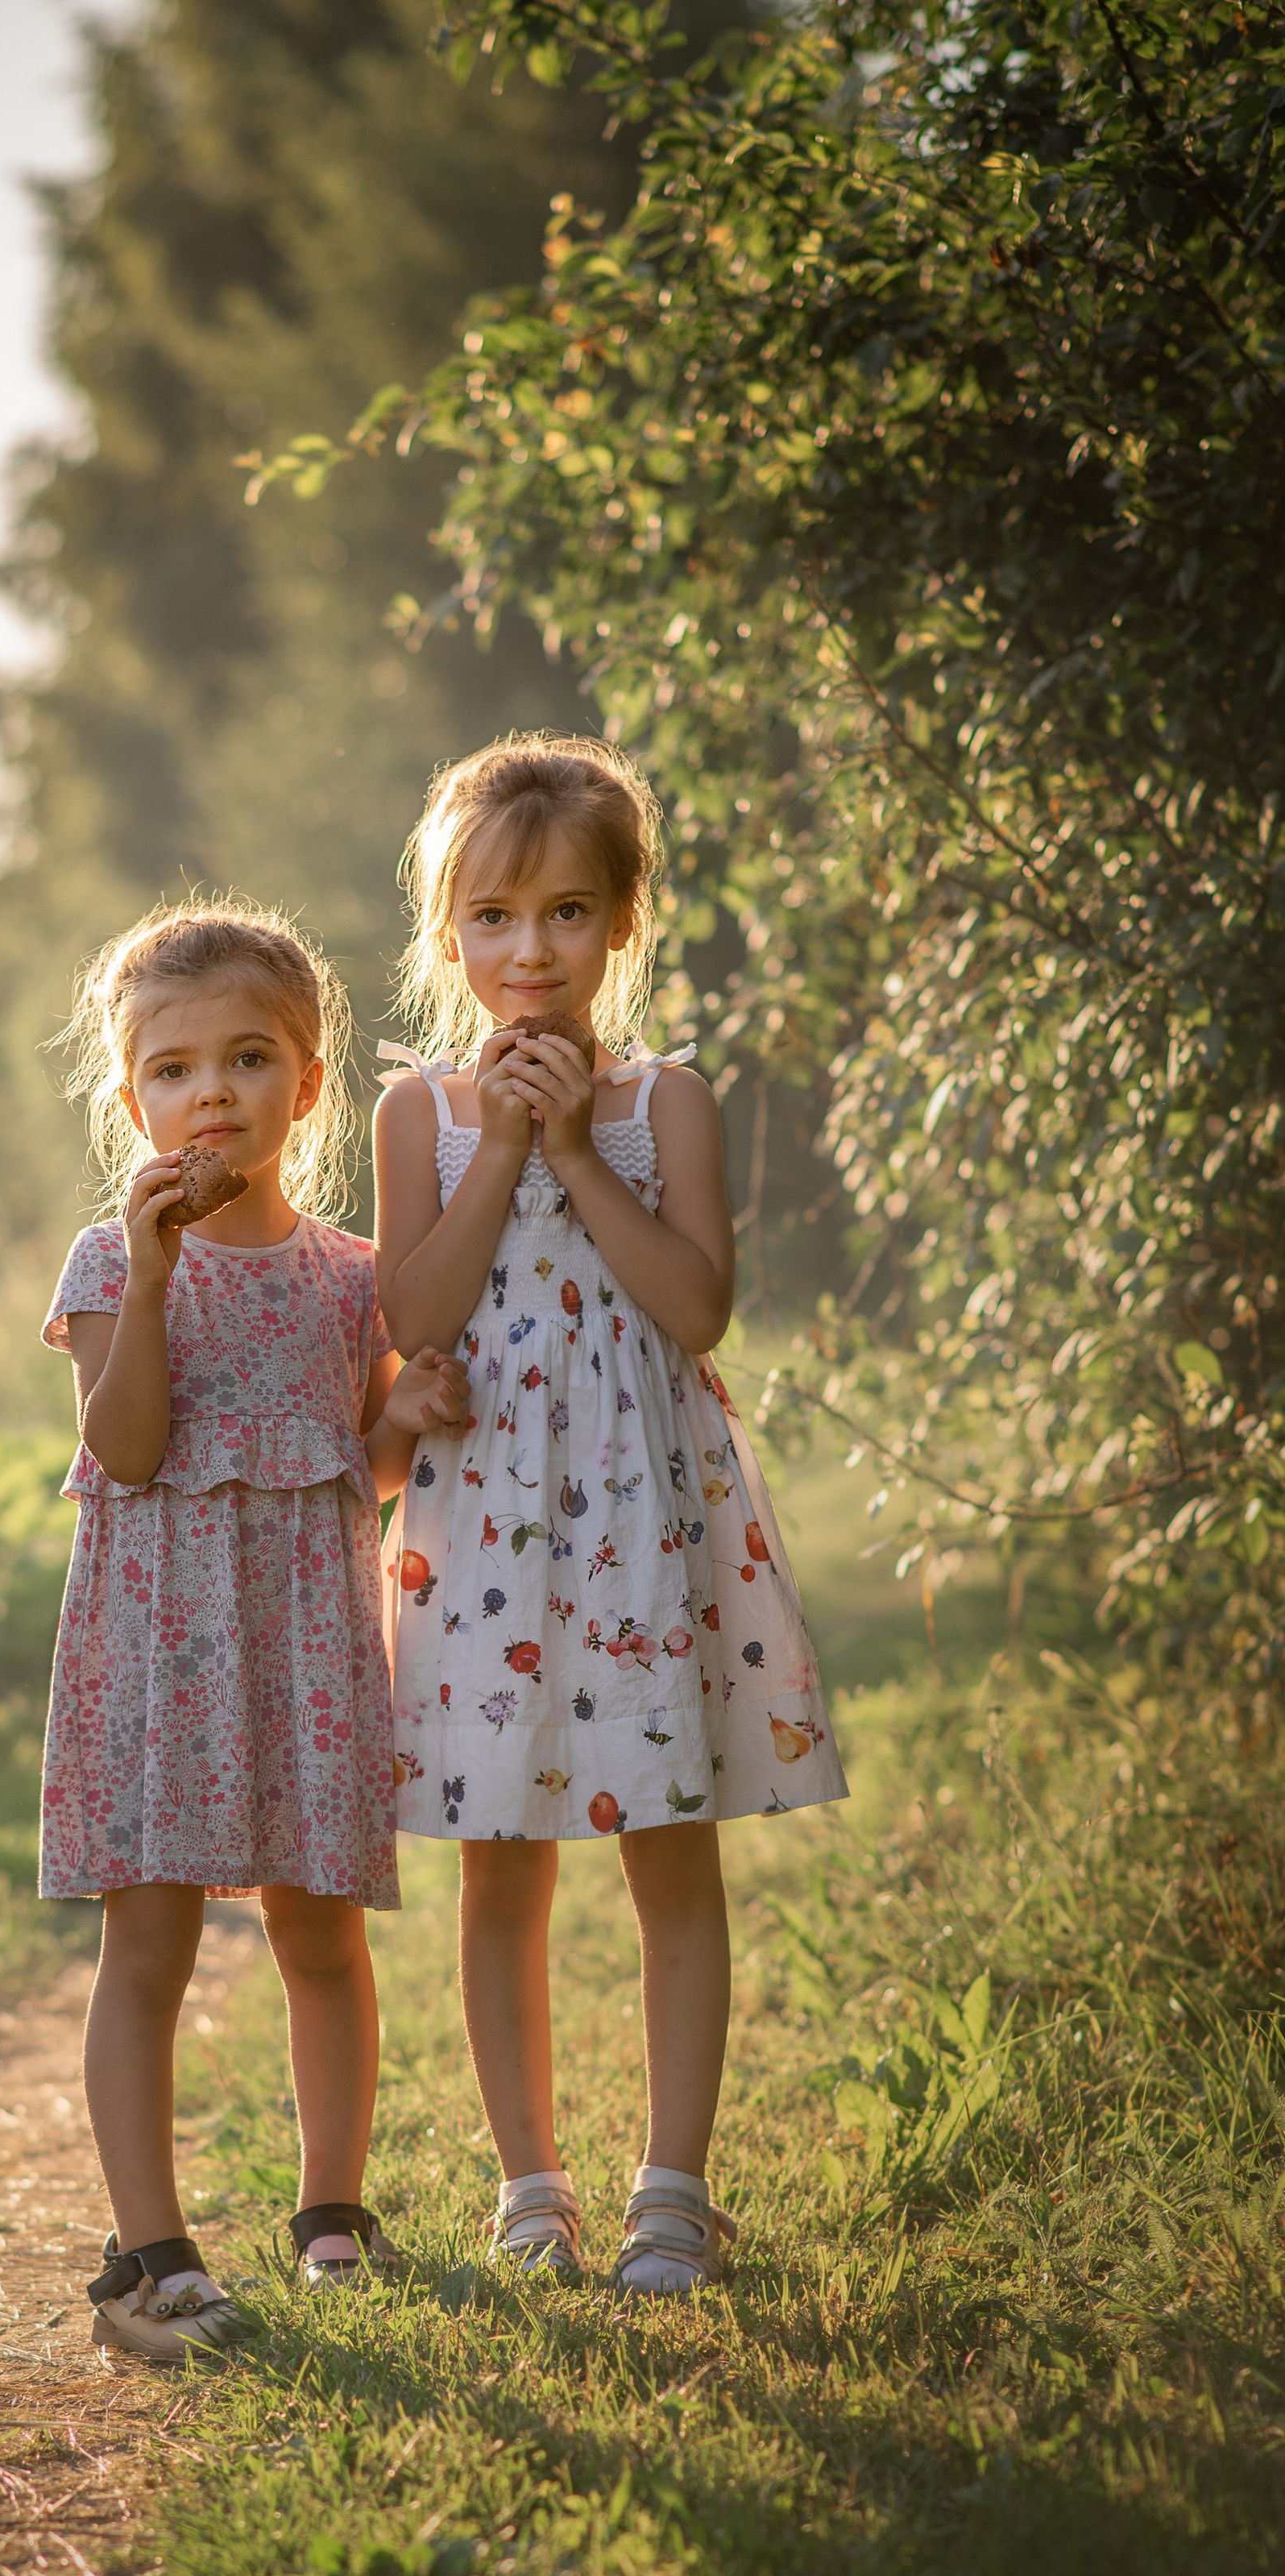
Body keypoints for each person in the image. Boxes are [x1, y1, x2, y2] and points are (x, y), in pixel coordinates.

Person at [374, 734, 845, 2295]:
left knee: (667, 1847)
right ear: (449, 932)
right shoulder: (421, 1116)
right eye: (494, 917)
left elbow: (695, 1311)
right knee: (498, 1863)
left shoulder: (665, 1103)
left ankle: (670, 2192)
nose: (531, 951)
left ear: (622, 923)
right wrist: (505, 1141)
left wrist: (573, 1145)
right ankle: (529, 2188)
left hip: (644, 1528)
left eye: (567, 912)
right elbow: (414, 1317)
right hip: (485, 1539)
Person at [42, 900, 469, 2362]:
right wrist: (156, 1274)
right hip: (158, 1653)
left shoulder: (353, 1279)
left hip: (306, 1653)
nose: (210, 1092)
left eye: (246, 1058)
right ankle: (150, 2257)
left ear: (307, 1084)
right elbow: (131, 1450)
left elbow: (358, 1471)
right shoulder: (111, 1263)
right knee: (148, 1946)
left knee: (321, 1937)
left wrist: (409, 1415)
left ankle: (331, 2219)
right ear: (133, 1103)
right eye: (172, 1070)